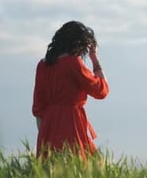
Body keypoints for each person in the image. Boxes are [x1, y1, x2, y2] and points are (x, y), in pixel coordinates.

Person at [32, 21, 109, 159]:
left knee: (50, 173)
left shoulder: (42, 65)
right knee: (88, 168)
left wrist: (44, 134)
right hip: (71, 125)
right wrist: (94, 58)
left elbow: (38, 108)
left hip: (47, 128)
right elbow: (101, 91)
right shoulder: (72, 62)